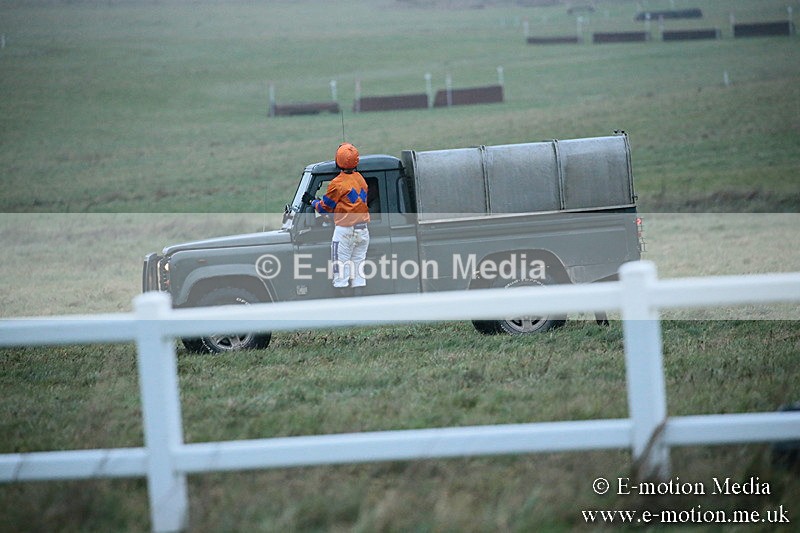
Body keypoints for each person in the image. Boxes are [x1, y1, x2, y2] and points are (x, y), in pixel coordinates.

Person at [302, 143, 370, 296]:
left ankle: (345, 315)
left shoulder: (337, 183)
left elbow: (324, 208)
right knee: (359, 274)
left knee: (341, 275)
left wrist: (312, 201)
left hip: (345, 232)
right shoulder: (361, 179)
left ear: (338, 161)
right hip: (363, 231)